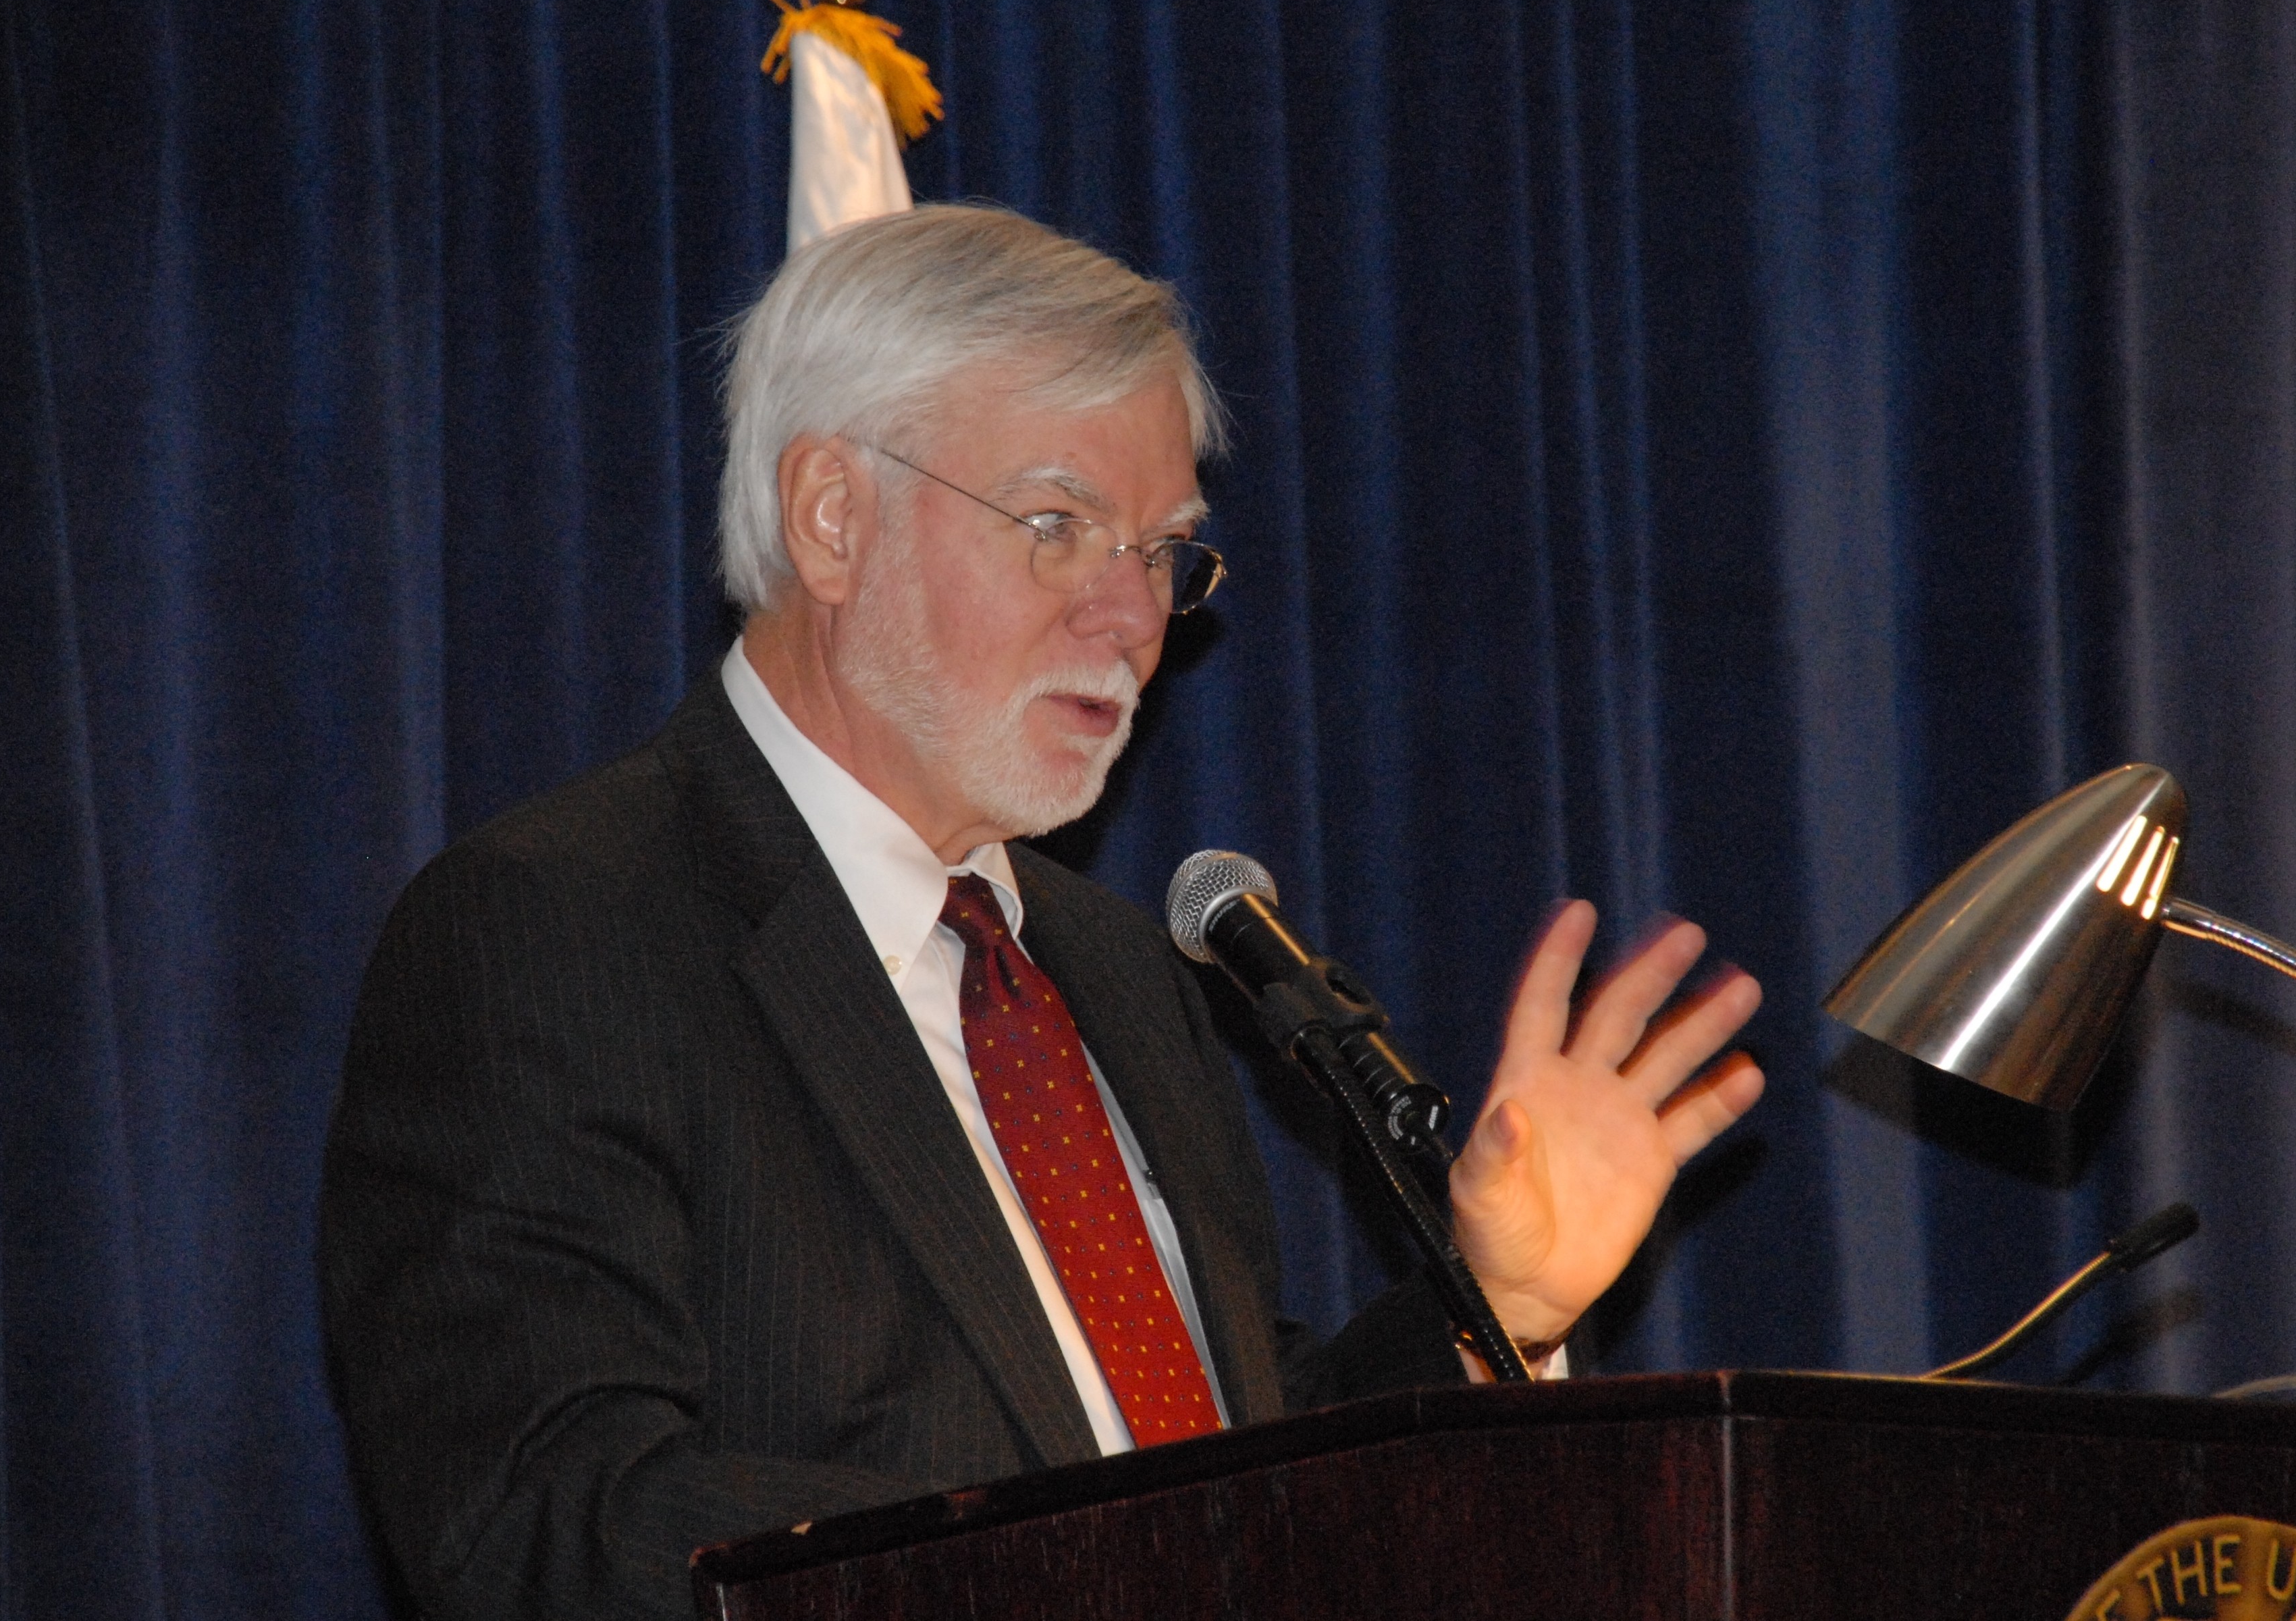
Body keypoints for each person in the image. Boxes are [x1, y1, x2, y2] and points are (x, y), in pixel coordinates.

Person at [319, 205, 1764, 1621]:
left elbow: (1227, 1471)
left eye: (1160, 552)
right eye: (1058, 525)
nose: (1133, 620)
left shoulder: (1123, 971)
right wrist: (1105, 1574)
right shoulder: (558, 931)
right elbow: (549, 1518)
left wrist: (1488, 1309)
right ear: (831, 518)